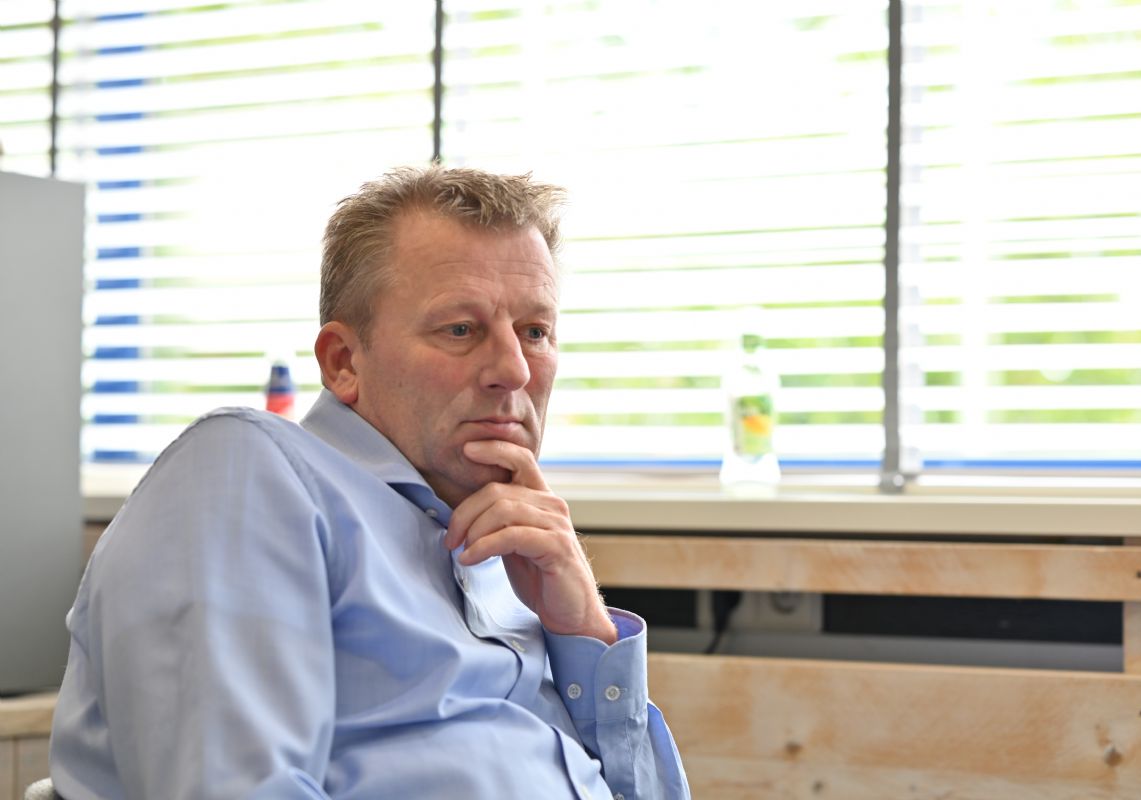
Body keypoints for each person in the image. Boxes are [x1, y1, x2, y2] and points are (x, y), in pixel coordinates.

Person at [49, 165, 690, 799]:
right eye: (461, 329)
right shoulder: (249, 473)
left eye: (536, 332)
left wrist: (585, 630)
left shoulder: (513, 559)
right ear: (343, 363)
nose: (516, 370)